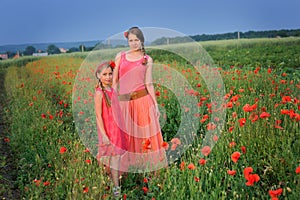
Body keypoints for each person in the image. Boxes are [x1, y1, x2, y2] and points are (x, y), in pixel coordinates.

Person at [113, 26, 167, 172]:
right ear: (128, 41)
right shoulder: (120, 56)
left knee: (144, 136)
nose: (134, 43)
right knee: (126, 136)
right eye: (131, 40)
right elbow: (115, 80)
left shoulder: (147, 59)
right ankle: (129, 170)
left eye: (136, 40)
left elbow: (149, 83)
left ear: (141, 41)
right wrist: (113, 99)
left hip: (143, 102)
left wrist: (155, 105)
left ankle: (148, 169)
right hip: (124, 103)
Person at [94, 60, 128, 196]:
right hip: (108, 130)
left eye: (110, 74)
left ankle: (115, 183)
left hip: (117, 128)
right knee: (112, 158)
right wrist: (104, 135)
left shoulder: (112, 90)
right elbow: (98, 115)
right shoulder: (99, 93)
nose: (108, 77)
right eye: (104, 74)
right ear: (98, 76)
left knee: (117, 158)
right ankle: (115, 188)